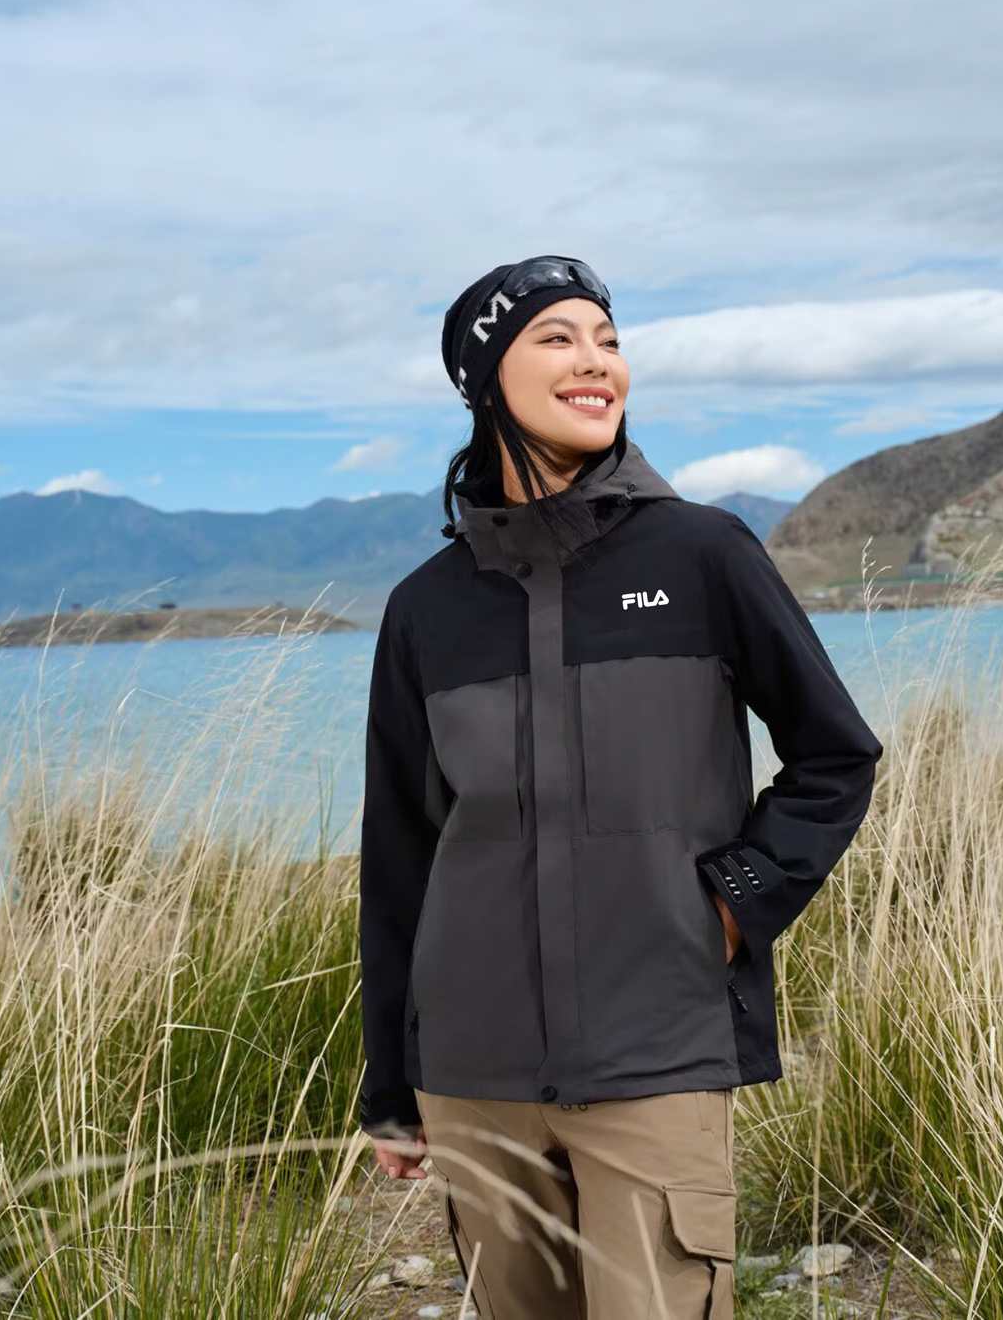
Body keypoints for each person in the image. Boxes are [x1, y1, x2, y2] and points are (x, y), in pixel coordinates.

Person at [357, 255, 883, 1319]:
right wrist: (391, 1087)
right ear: (484, 380)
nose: (595, 362)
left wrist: (729, 903)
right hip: (472, 1069)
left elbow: (834, 755)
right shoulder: (426, 608)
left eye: (607, 340)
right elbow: (401, 852)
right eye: (556, 339)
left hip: (658, 1047)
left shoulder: (702, 554)